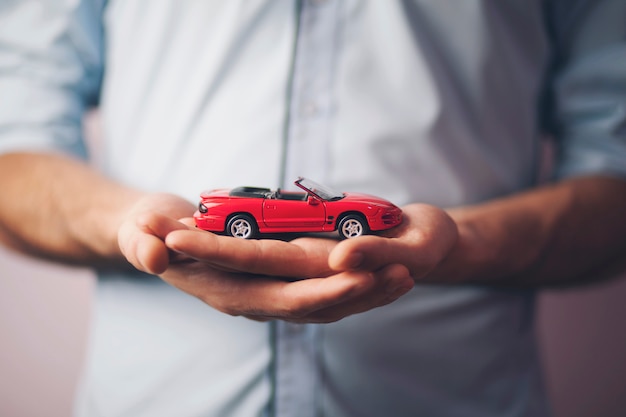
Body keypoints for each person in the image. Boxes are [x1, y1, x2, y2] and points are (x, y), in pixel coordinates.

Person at [1, 1, 625, 416]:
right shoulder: (248, 212)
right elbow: (12, 147)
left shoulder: (339, 213)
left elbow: (614, 170)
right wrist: (133, 225)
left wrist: (463, 242)